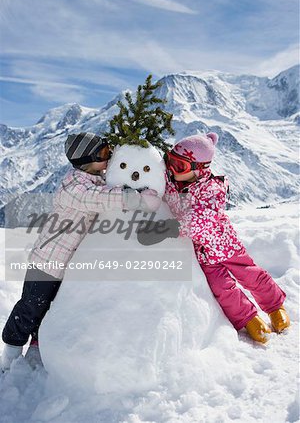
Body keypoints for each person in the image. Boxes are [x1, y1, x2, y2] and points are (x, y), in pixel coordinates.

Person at [1, 132, 160, 371]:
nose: (109, 158)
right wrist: (134, 197)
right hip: (46, 262)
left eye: (109, 152)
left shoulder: (96, 179)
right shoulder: (75, 187)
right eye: (104, 154)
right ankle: (11, 354)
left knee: (51, 307)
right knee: (30, 307)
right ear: (88, 160)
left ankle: (37, 347)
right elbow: (99, 199)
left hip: (66, 264)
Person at [138, 132, 290, 343]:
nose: (171, 168)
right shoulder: (171, 179)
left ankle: (274, 306)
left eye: (179, 166)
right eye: (169, 160)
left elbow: (199, 219)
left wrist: (168, 229)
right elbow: (152, 180)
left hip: (224, 243)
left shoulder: (212, 188)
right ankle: (249, 319)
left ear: (199, 170)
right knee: (222, 288)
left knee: (251, 276)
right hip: (202, 253)